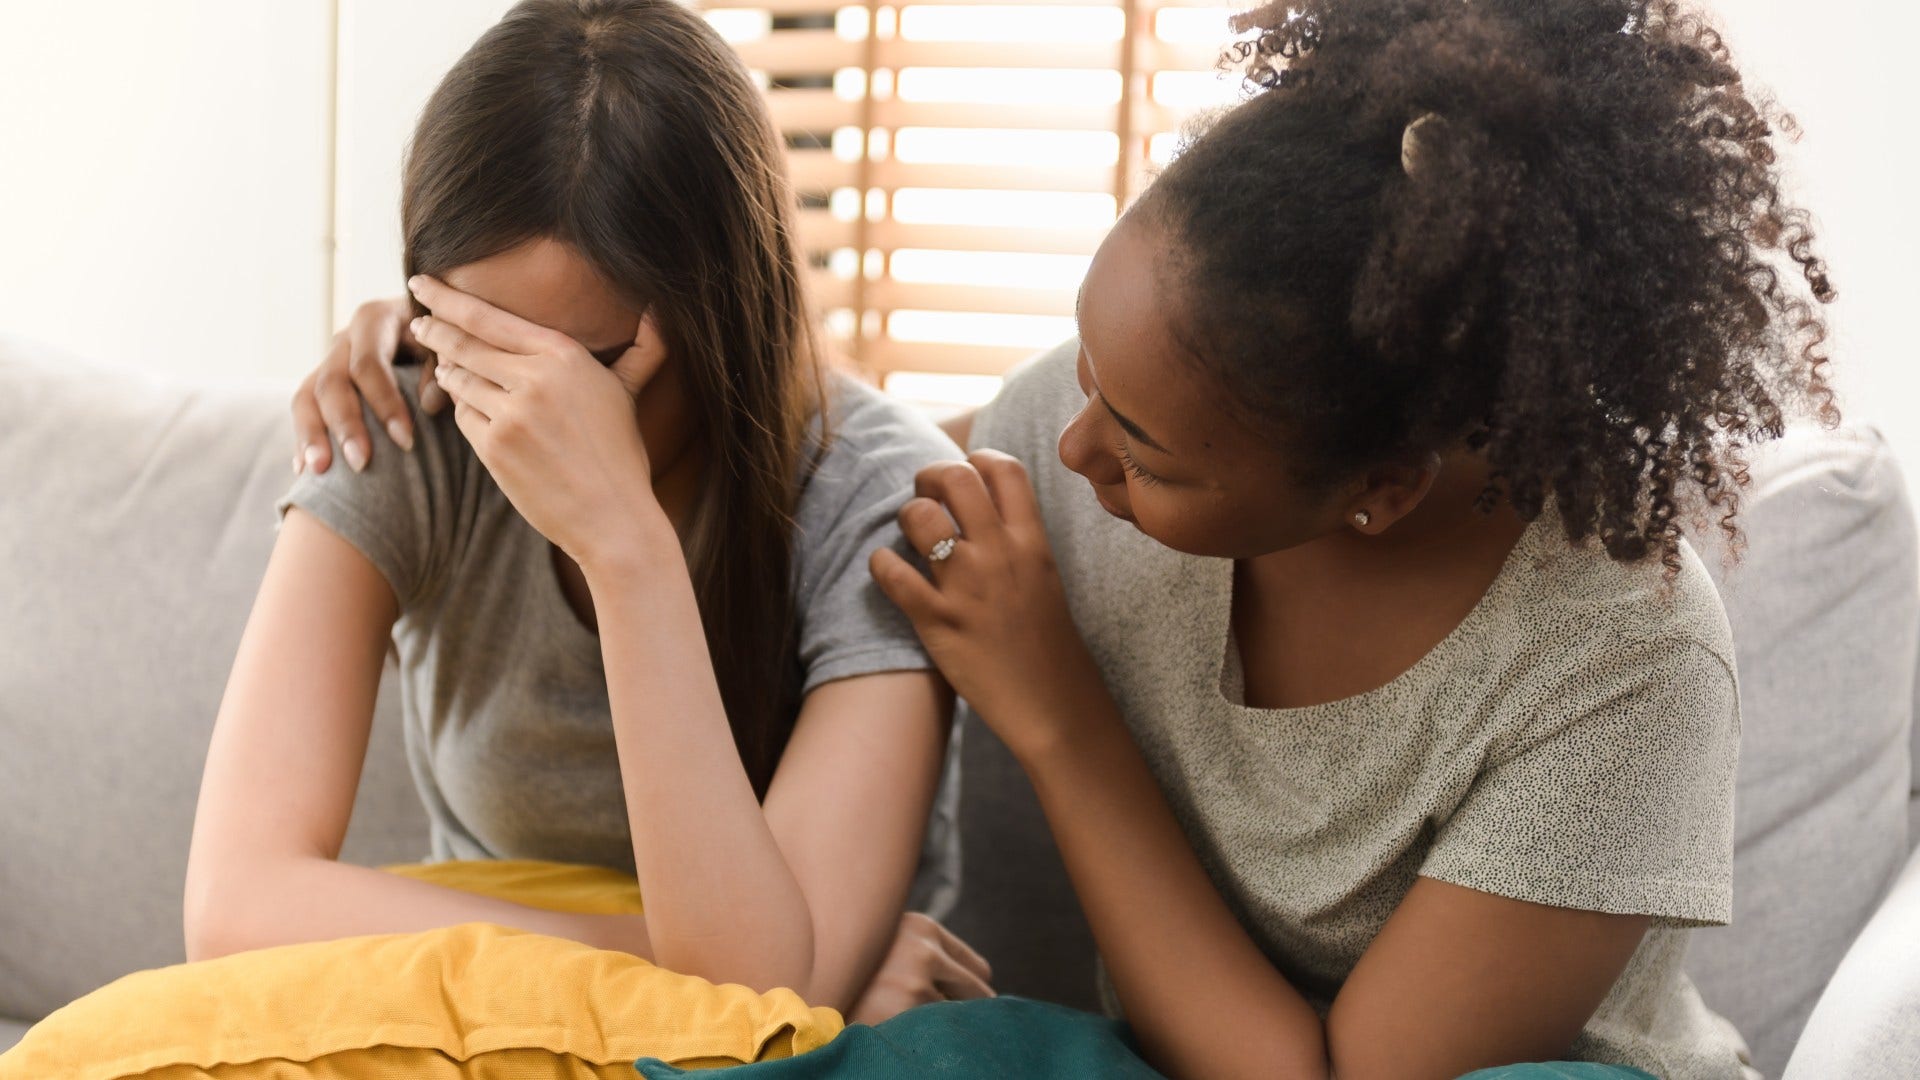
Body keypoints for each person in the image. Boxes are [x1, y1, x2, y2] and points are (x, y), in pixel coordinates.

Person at [297, 0, 1833, 1075]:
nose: (1064, 444)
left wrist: (1053, 709)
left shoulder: (1624, 667)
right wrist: (466, 343)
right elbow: (809, 484)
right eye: (1082, 376)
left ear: (1377, 491)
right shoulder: (1070, 427)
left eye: (1142, 449)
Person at [186, 0, 990, 1020]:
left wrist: (625, 546)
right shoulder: (413, 421)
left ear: (729, 310)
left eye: (595, 369)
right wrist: (666, 957)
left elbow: (756, 1020)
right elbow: (231, 905)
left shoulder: (872, 502)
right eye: (488, 350)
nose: (530, 417)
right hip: (499, 1031)